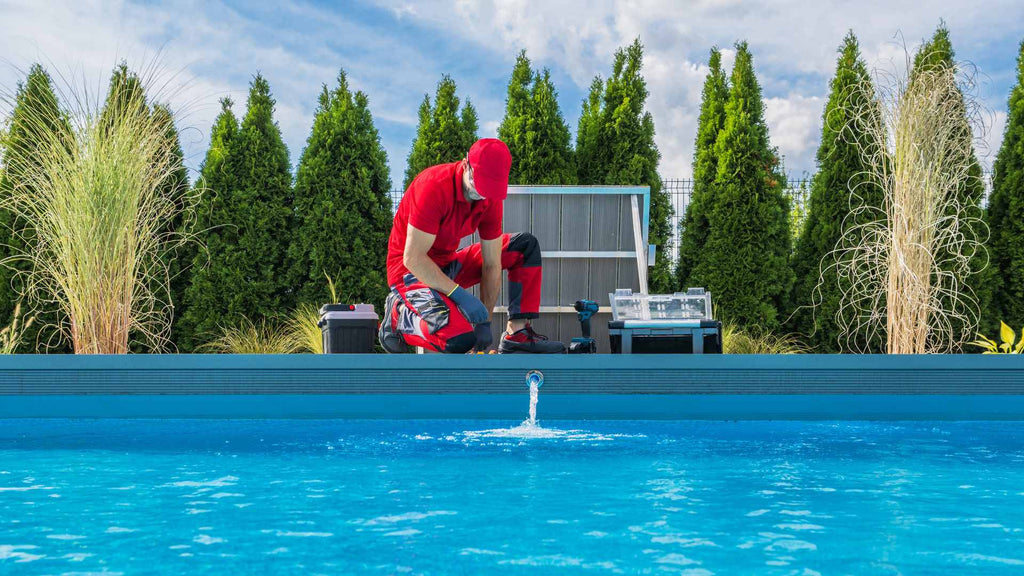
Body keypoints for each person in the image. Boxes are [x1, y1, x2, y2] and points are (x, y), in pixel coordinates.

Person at [379, 138, 565, 354]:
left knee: (524, 246)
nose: (483, 194)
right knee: (458, 340)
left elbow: (492, 263)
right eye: (480, 184)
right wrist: (459, 294)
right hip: (410, 274)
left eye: (490, 188)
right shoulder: (433, 186)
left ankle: (517, 335)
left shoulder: (490, 196)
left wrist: (483, 321)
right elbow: (413, 259)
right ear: (466, 164)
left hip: (447, 265)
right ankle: (399, 318)